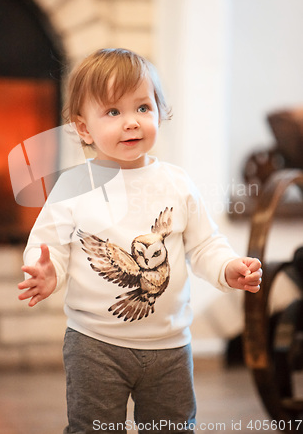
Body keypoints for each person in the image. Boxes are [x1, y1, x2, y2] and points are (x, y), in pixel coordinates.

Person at [18, 48, 262, 433]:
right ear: (84, 129)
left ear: (159, 113)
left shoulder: (176, 183)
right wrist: (47, 272)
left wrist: (227, 267)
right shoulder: (74, 185)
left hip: (170, 347)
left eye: (143, 108)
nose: (131, 122)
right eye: (113, 112)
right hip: (93, 345)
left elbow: (204, 245)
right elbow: (50, 245)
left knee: (172, 427)